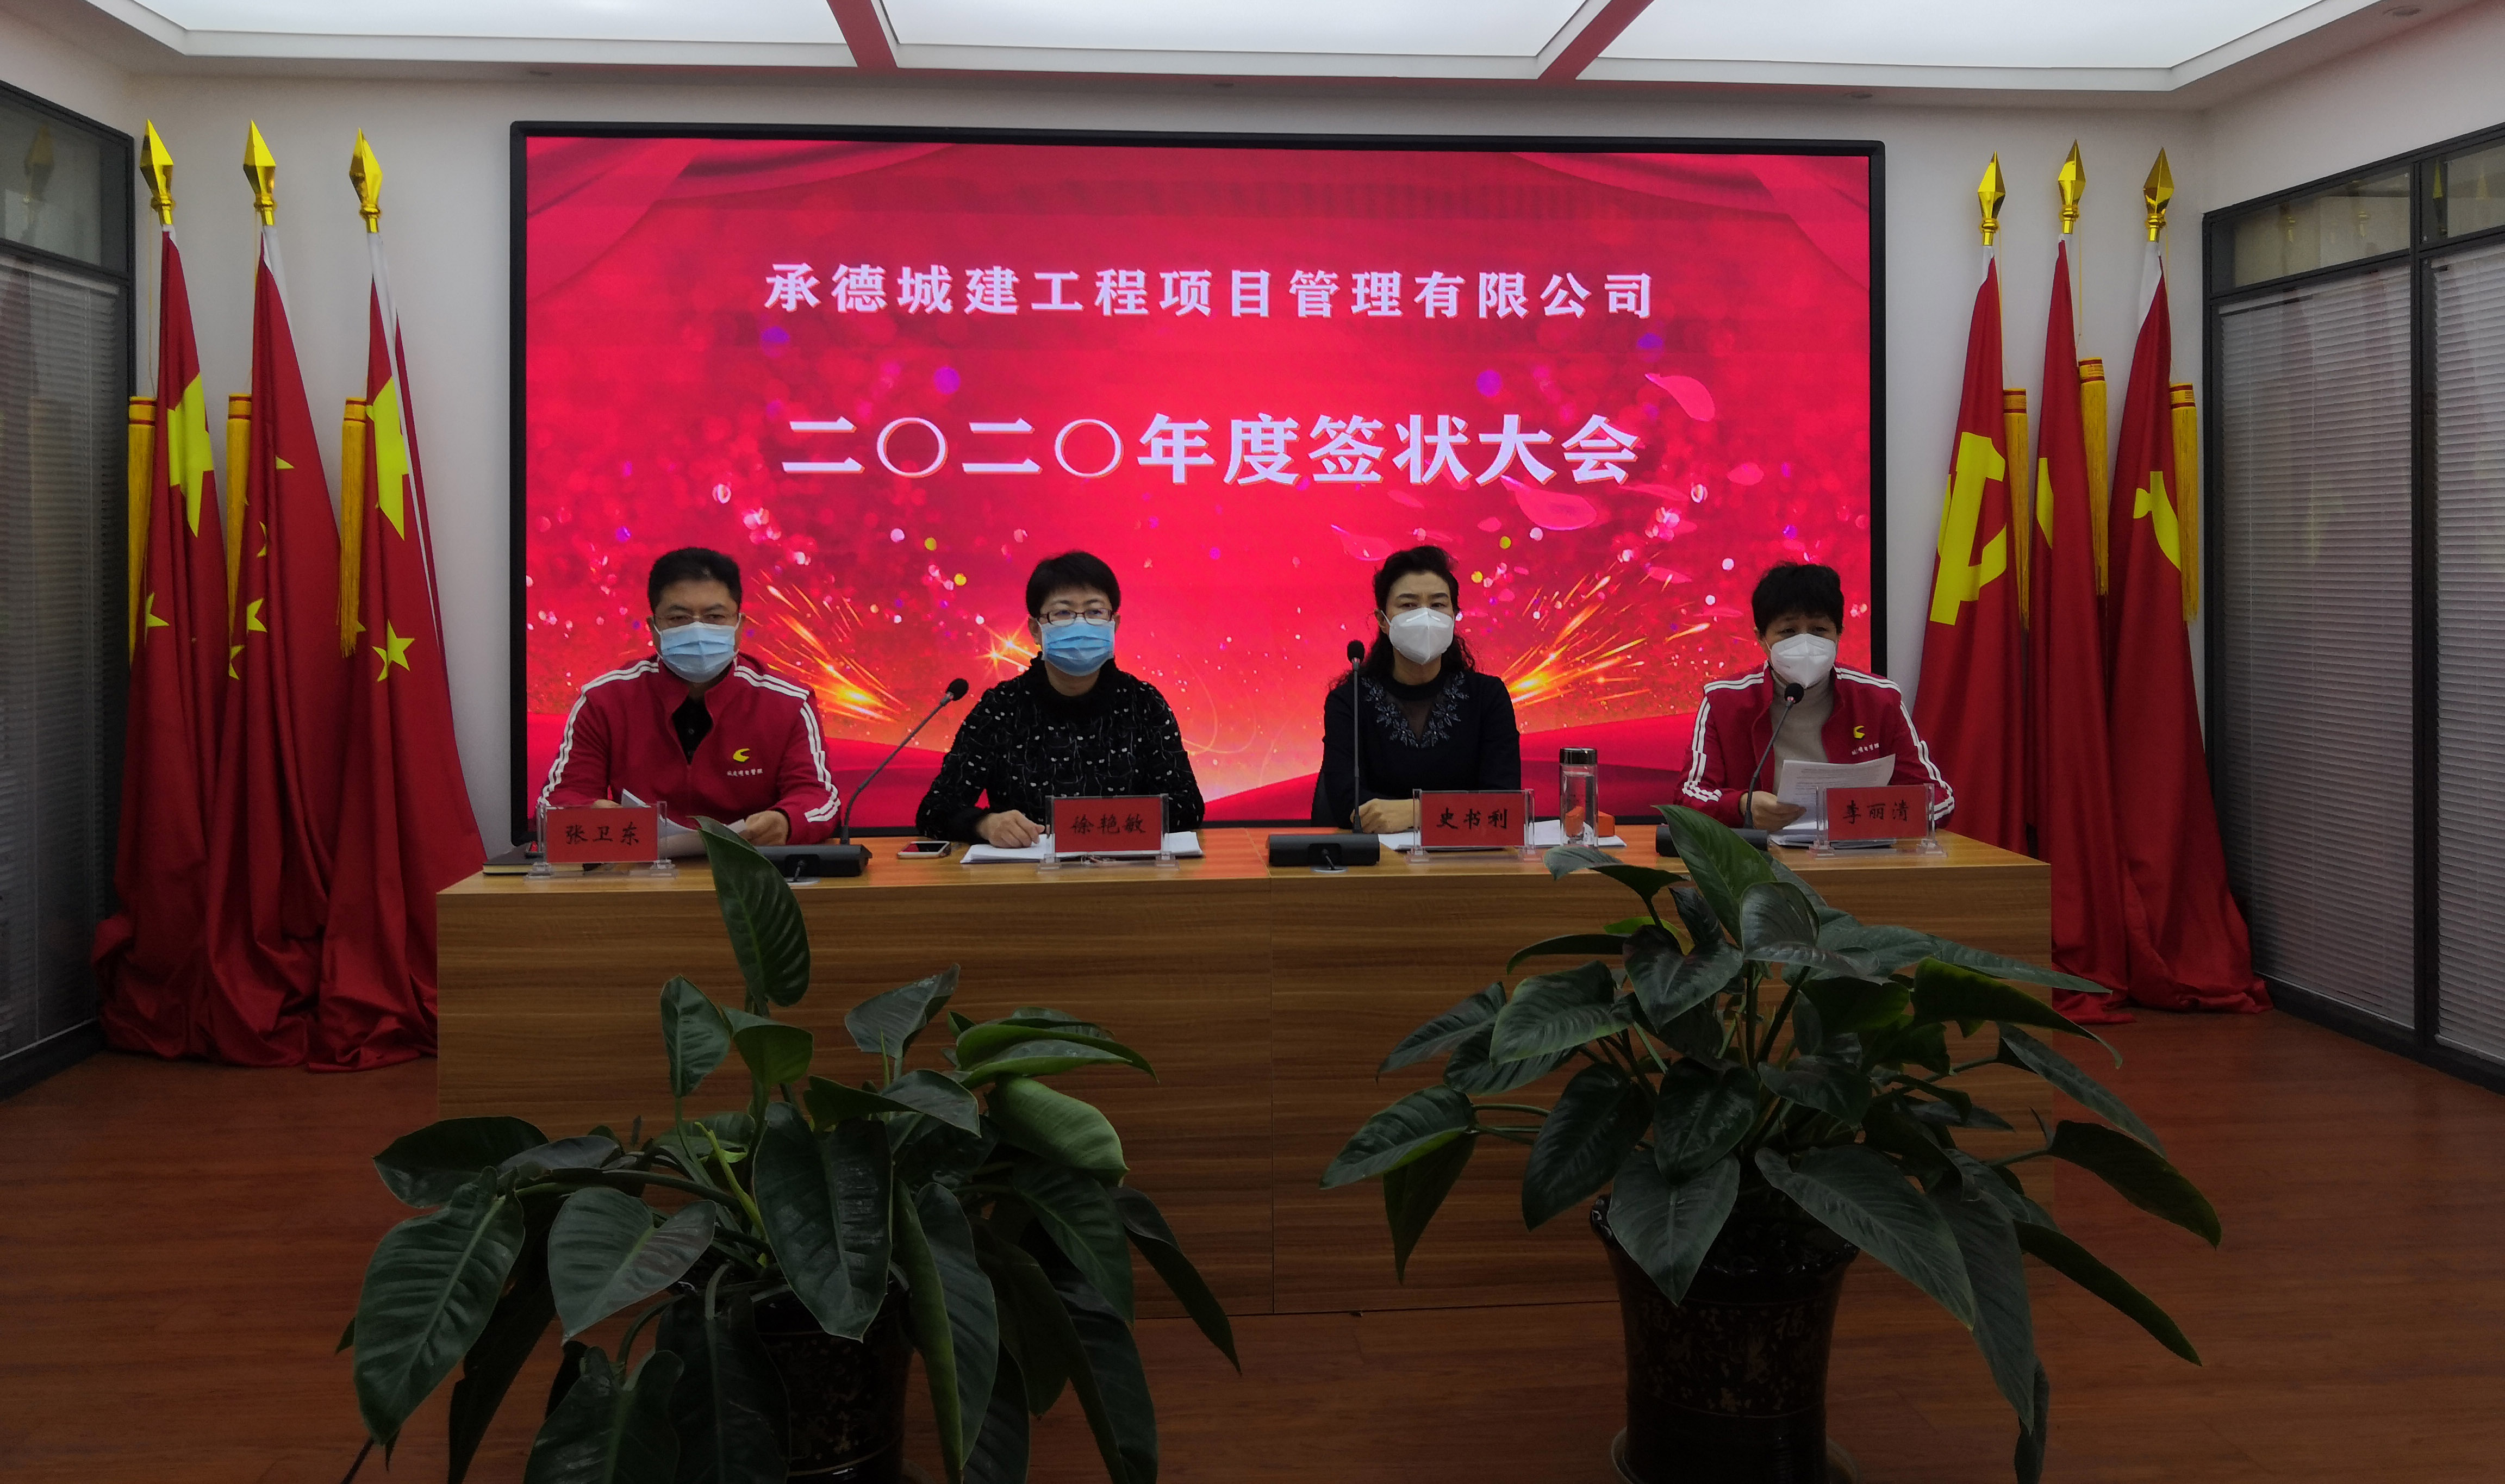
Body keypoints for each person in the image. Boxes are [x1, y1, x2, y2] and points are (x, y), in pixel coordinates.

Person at [538, 547, 839, 845]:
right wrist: (587, 812)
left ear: (739, 626)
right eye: (679, 618)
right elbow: (556, 802)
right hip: (639, 867)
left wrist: (787, 821)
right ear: (654, 628)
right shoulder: (605, 700)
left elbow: (819, 798)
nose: (697, 630)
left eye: (715, 616)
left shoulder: (788, 702)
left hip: (751, 865)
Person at [917, 550, 1206, 846]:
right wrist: (985, 824)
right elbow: (935, 810)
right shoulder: (1001, 708)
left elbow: (1188, 808)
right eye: (1063, 613)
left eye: (1095, 612)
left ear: (1114, 624)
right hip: (1025, 871)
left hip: (1123, 869)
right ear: (1035, 630)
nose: (1080, 624)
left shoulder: (1144, 704)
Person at [1679, 561, 1953, 830]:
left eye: (1819, 630)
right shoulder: (1724, 700)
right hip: (1758, 853)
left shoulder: (1879, 698)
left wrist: (1875, 814)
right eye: (1788, 632)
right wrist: (1741, 806)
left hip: (1855, 852)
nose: (1805, 643)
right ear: (1761, 638)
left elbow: (1939, 799)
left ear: (1839, 633)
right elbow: (1688, 797)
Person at [1313, 545, 1523, 833]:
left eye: (1438, 605)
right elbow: (1345, 803)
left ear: (1454, 616)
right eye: (1408, 605)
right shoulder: (1350, 701)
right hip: (1376, 858)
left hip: (1469, 857)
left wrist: (1417, 812)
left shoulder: (1488, 696)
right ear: (1383, 621)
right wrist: (1449, 811)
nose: (1425, 616)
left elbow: (1504, 804)